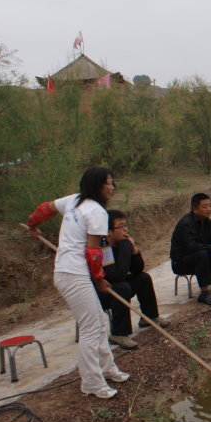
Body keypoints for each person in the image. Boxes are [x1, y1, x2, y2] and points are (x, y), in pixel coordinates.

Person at [26, 167, 129, 399]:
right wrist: (100, 280)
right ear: (96, 185)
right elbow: (94, 253)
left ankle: (108, 368)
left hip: (69, 272)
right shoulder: (97, 212)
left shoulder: (72, 201)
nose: (111, 187)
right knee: (90, 328)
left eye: (112, 182)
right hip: (74, 275)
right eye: (108, 183)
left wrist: (33, 224)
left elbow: (44, 209)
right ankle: (91, 382)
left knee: (99, 321)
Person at [96, 210, 171, 350]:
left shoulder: (122, 244)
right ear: (108, 232)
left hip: (119, 285)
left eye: (125, 225)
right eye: (120, 226)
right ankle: (119, 334)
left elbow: (138, 269)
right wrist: (125, 248)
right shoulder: (103, 248)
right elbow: (116, 275)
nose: (125, 230)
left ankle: (149, 317)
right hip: (101, 293)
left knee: (143, 278)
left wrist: (134, 250)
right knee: (122, 287)